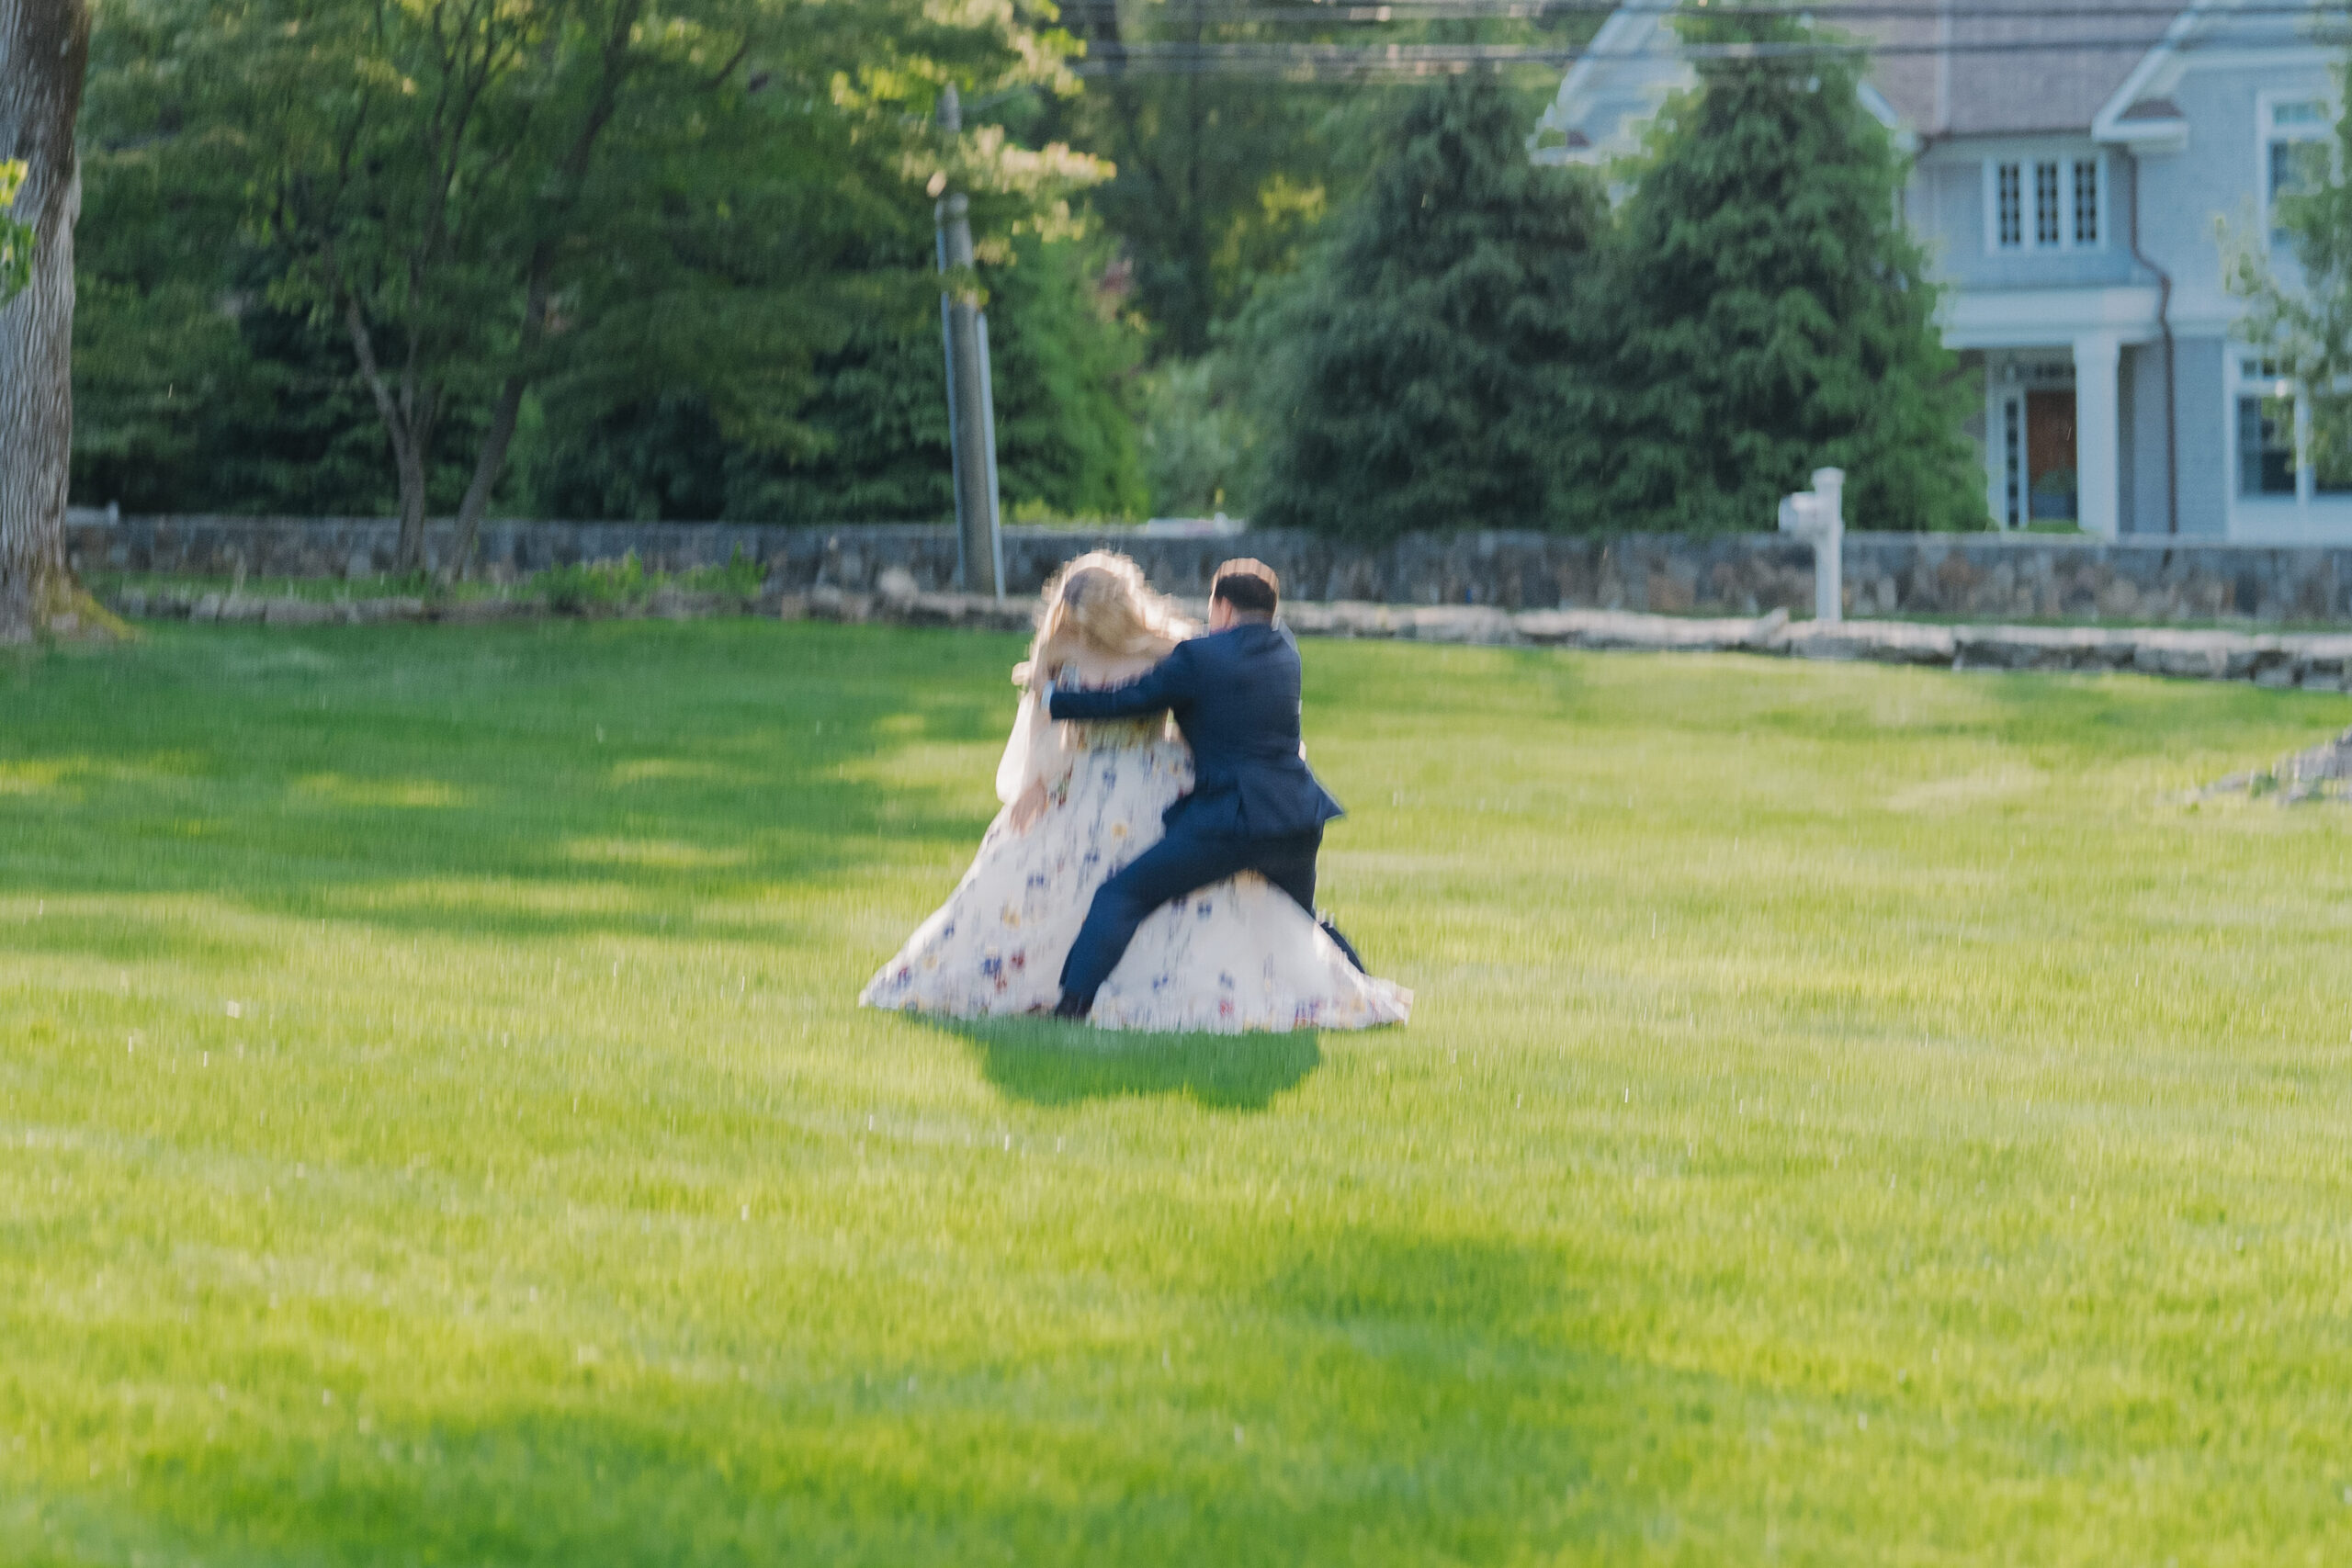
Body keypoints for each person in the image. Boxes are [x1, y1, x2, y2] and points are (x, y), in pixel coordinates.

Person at [859, 551, 1407, 1032]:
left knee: (1140, 896)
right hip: (1117, 788)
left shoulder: (1175, 651)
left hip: (1162, 786)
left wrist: (1058, 699)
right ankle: (1065, 996)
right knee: (1089, 893)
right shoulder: (1072, 648)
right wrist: (1039, 781)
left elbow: (1144, 705)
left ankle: (1074, 1005)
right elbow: (1047, 730)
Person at [1045, 558, 1393, 1022]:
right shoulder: (1286, 651)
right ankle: (1367, 993)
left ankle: (1071, 1006)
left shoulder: (1198, 658)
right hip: (1298, 818)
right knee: (1303, 920)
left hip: (1231, 821)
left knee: (1122, 895)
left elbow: (1129, 700)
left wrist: (1053, 698)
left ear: (1223, 607)